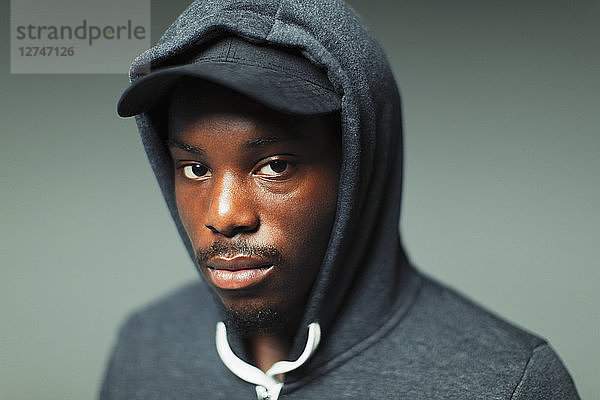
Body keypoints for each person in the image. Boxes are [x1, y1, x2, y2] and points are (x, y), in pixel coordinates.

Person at [100, 0, 579, 399]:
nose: (224, 215)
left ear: (357, 169)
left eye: (275, 167)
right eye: (196, 169)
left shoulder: (503, 382)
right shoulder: (146, 348)